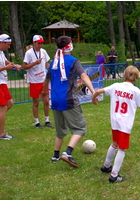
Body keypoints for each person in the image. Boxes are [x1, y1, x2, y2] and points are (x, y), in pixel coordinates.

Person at [92, 65, 140, 183]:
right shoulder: (135, 90)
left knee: (114, 143)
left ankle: (106, 166)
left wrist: (93, 98)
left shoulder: (116, 86)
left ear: (124, 75)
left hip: (115, 122)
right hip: (125, 125)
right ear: (136, 79)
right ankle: (114, 175)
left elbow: (98, 91)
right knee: (122, 148)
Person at [43, 36, 97, 167]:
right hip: (68, 100)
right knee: (80, 128)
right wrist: (93, 92)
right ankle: (68, 152)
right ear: (69, 46)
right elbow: (84, 76)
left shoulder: (54, 62)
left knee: (60, 130)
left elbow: (47, 79)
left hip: (55, 100)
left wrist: (44, 92)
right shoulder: (73, 61)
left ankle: (56, 155)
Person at [0, 34, 21, 140]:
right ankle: (1, 134)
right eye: (8, 44)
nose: (9, 47)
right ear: (2, 43)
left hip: (2, 82)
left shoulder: (0, 52)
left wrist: (14, 65)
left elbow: (5, 62)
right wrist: (6, 67)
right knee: (2, 107)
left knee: (9, 103)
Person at [23, 35, 54, 129]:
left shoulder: (43, 51)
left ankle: (47, 120)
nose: (40, 45)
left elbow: (47, 63)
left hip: (43, 80)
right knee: (36, 102)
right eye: (39, 43)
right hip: (34, 81)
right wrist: (34, 63)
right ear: (34, 42)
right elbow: (24, 66)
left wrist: (51, 71)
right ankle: (36, 122)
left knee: (46, 101)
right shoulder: (29, 53)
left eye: (41, 43)